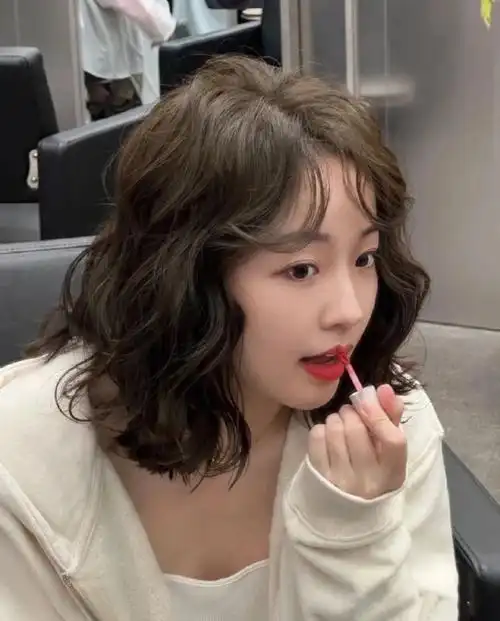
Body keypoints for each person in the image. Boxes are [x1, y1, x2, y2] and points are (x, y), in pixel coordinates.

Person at [0, 56, 458, 620]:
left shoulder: (393, 426)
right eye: (301, 269)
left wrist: (355, 536)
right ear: (186, 275)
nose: (349, 310)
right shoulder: (22, 457)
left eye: (364, 258)